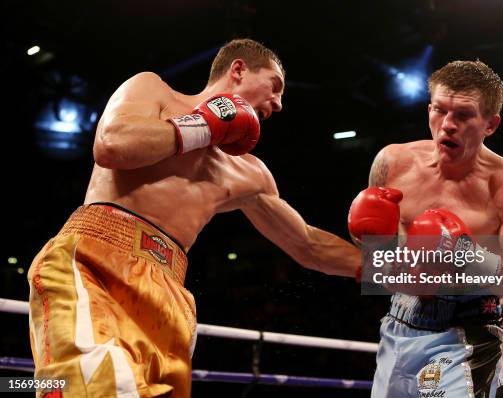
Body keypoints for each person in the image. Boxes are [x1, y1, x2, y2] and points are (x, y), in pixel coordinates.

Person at [27, 38, 361, 398]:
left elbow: (309, 245)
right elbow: (111, 145)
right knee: (95, 384)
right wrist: (202, 126)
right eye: (275, 86)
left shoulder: (250, 174)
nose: (278, 104)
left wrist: (405, 264)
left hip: (170, 292)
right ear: (238, 70)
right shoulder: (153, 89)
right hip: (96, 260)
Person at [348, 60, 503, 397]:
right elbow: (378, 267)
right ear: (429, 109)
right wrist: (371, 242)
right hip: (400, 323)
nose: (448, 125)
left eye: (464, 115)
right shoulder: (392, 164)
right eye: (440, 110)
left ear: (491, 124)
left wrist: (466, 257)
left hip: (467, 331)